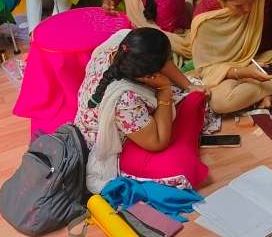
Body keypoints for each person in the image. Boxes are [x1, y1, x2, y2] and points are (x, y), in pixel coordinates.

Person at [74, 28, 221, 193]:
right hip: (109, 137)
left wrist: (189, 85)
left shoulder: (126, 47)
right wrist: (164, 90)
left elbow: (160, 60)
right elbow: (157, 143)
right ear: (150, 76)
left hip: (123, 113)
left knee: (192, 96)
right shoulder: (125, 99)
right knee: (179, 166)